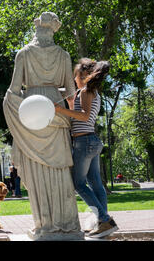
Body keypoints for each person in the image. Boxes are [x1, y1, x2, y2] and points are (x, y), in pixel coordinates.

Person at [3, 12, 83, 240]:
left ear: (37, 30)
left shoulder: (24, 54)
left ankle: (45, 225)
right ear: (52, 31)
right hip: (56, 111)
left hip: (31, 111)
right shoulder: (64, 55)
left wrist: (13, 108)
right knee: (59, 171)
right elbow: (70, 93)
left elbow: (13, 92)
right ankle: (65, 223)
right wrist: (70, 118)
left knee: (38, 170)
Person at [54, 58, 118, 238]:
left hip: (85, 142)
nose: (74, 80)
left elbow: (83, 116)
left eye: (76, 77)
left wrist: (60, 110)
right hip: (91, 141)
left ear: (82, 76)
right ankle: (102, 223)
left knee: (79, 184)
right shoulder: (92, 92)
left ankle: (105, 220)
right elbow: (78, 112)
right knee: (96, 184)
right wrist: (69, 102)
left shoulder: (85, 91)